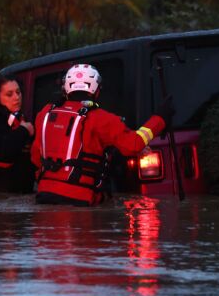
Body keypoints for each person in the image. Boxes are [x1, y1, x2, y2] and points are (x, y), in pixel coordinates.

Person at [31, 64, 174, 206]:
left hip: (45, 196)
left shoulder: (45, 113)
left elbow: (36, 158)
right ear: (97, 91)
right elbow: (134, 144)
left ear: (65, 88)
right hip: (82, 200)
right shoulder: (103, 119)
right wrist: (160, 118)